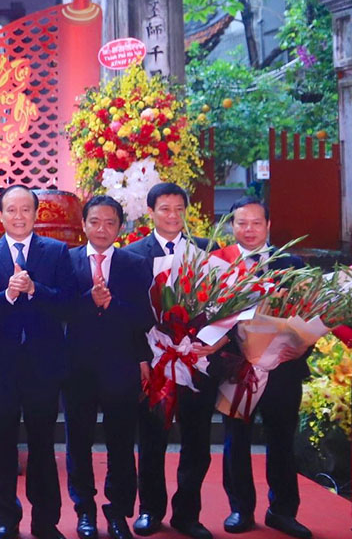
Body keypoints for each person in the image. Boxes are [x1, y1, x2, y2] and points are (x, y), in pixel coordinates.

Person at [0, 184, 75, 539]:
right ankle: (7, 519)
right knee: (2, 443)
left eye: (26, 210)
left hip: (43, 367)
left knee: (43, 444)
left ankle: (46, 522)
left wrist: (35, 290)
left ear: (36, 214)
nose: (19, 217)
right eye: (11, 210)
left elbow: (68, 304)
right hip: (0, 366)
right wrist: (7, 294)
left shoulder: (58, 252)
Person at [122, 183, 217, 539]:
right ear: (151, 212)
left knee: (197, 440)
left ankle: (187, 514)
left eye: (179, 209)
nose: (173, 216)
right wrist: (142, 357)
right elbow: (129, 314)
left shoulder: (207, 251)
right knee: (151, 440)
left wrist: (211, 341)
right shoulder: (132, 254)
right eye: (165, 209)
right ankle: (150, 510)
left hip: (196, 362)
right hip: (155, 363)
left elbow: (222, 310)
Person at [213, 198, 311, 539]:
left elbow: (308, 315)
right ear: (232, 226)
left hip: (282, 369)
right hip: (237, 367)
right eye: (241, 223)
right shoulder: (218, 264)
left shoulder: (292, 263)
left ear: (268, 225)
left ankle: (283, 511)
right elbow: (207, 318)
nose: (249, 229)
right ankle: (240, 508)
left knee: (282, 440)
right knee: (235, 440)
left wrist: (295, 346)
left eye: (256, 223)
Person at [64, 196, 154, 539]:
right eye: (95, 222)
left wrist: (111, 303)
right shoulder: (67, 260)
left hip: (120, 367)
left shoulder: (134, 263)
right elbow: (59, 309)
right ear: (84, 224)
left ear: (120, 227)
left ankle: (118, 513)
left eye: (110, 223)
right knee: (79, 443)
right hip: (77, 368)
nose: (102, 229)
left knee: (120, 443)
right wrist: (90, 300)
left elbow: (145, 316)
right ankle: (84, 511)